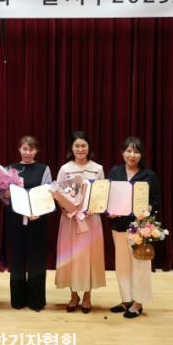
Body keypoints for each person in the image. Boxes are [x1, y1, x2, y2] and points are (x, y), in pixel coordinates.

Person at [108, 136, 160, 319]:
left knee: (140, 266)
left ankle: (138, 303)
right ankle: (126, 300)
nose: (132, 155)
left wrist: (147, 209)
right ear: (122, 153)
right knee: (122, 265)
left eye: (136, 151)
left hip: (139, 228)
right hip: (118, 225)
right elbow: (109, 196)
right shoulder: (115, 171)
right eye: (128, 151)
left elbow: (155, 200)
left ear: (141, 155)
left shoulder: (149, 175)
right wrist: (110, 210)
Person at [55, 131, 106, 314]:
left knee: (89, 257)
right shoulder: (65, 169)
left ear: (89, 147)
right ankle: (74, 295)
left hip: (91, 220)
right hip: (70, 220)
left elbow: (102, 193)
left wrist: (95, 207)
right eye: (77, 146)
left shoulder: (97, 169)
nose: (80, 149)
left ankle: (87, 296)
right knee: (72, 257)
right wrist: (66, 208)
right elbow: (58, 194)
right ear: (72, 148)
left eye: (83, 145)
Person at [0, 136, 52, 311]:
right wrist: (5, 194)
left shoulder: (44, 169)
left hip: (37, 219)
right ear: (19, 149)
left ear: (36, 151)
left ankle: (36, 300)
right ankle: (18, 300)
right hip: (16, 219)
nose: (28, 152)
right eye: (24, 149)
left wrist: (38, 210)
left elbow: (47, 193)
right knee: (17, 259)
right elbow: (3, 196)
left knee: (37, 259)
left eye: (31, 149)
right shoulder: (10, 169)